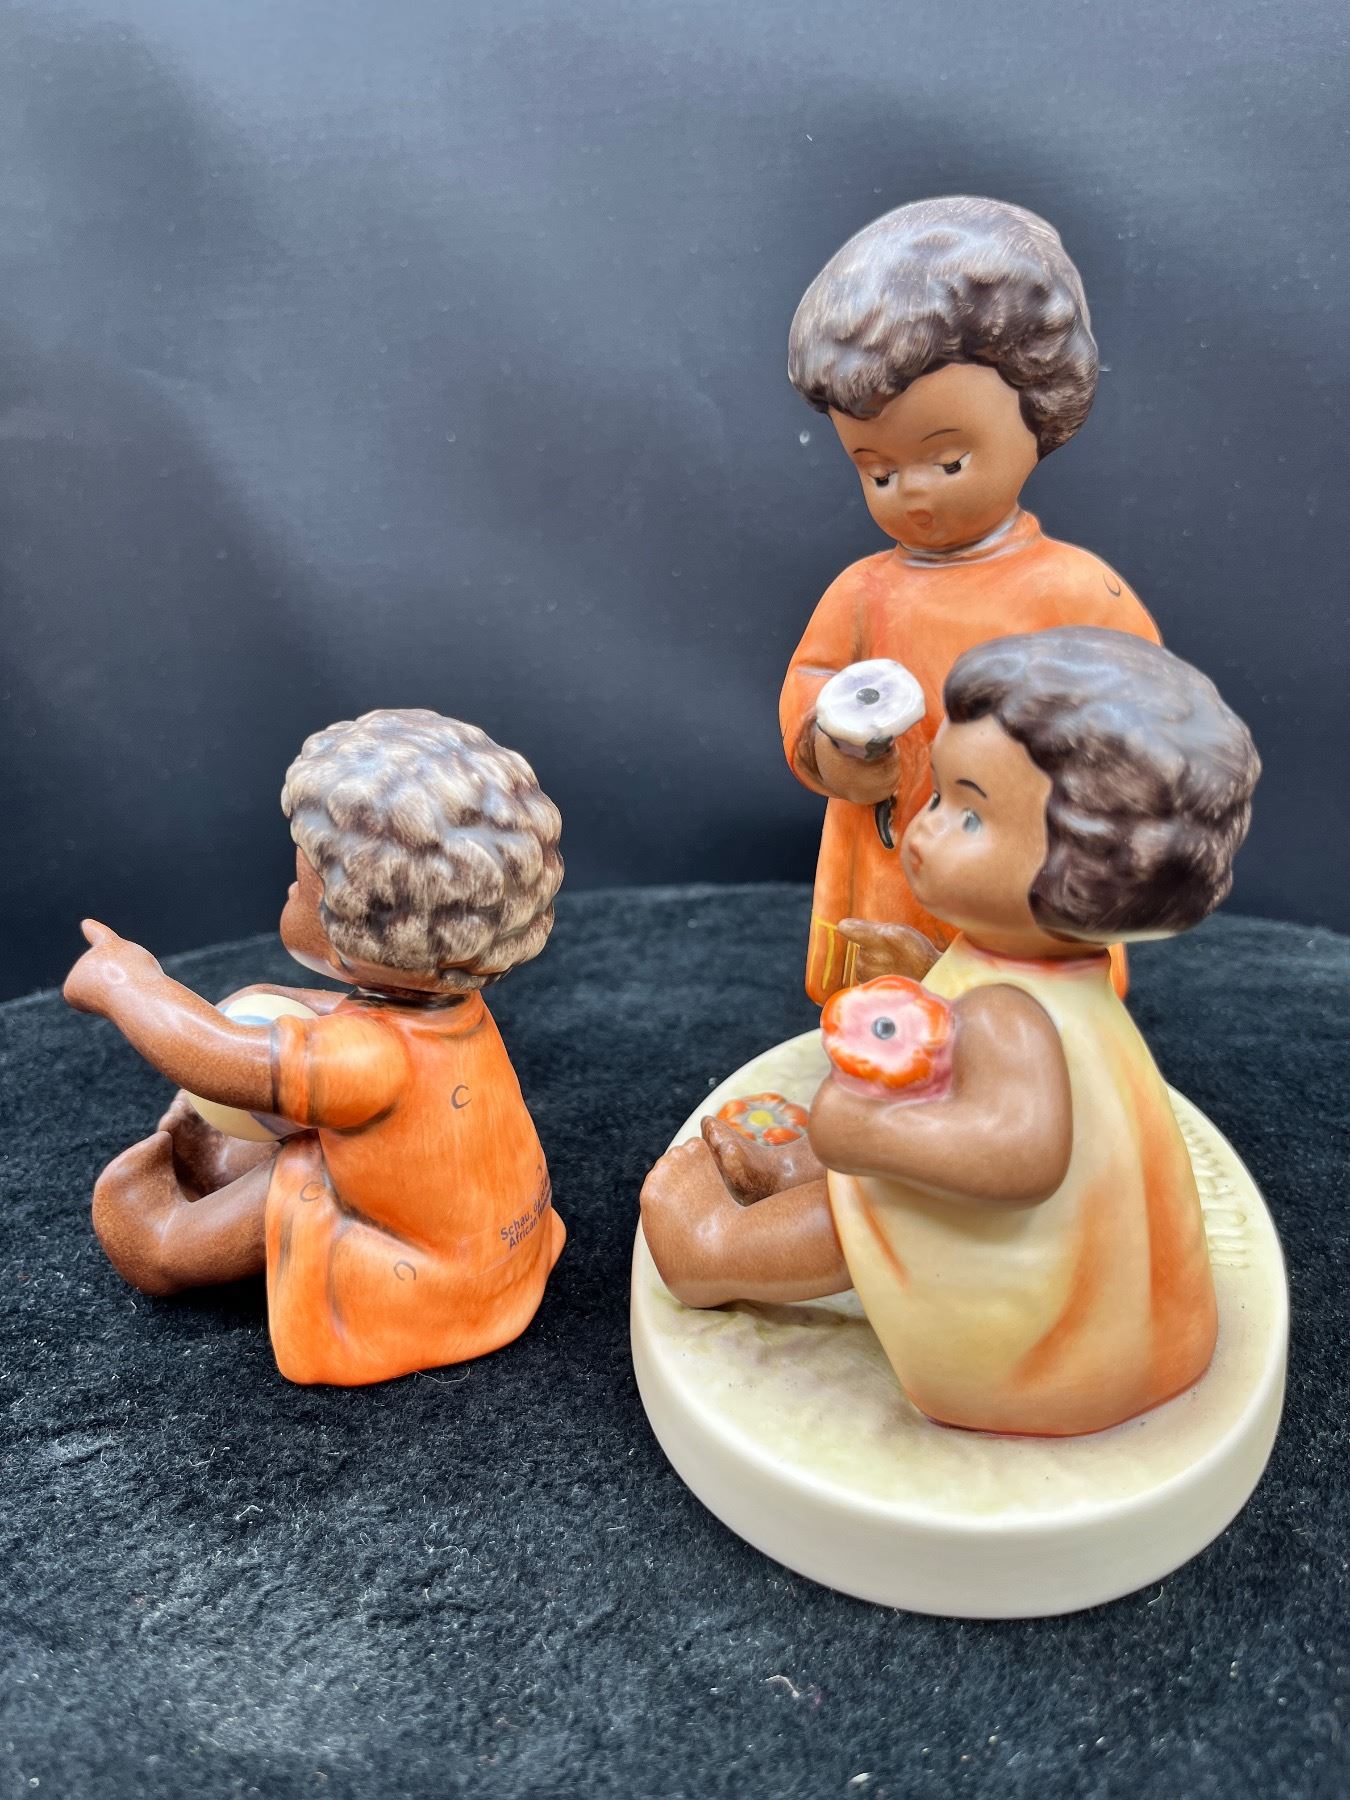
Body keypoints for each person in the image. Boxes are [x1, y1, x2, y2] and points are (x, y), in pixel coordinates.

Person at [642, 629, 1260, 1436]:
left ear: (1082, 864)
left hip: (1032, 1357)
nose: (925, 830)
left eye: (969, 815)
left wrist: (859, 1130)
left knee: (891, 1201)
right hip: (1108, 1332)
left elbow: (1020, 1156)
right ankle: (787, 1171)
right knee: (901, 1129)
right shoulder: (1040, 976)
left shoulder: (1011, 1015)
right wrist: (929, 967)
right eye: (935, 797)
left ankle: (713, 1252)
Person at [64, 709, 566, 1386]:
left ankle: (169, 1249)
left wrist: (129, 986)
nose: (288, 890)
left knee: (302, 1169)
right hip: (500, 1242)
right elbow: (332, 1022)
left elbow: (221, 1060)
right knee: (312, 1119)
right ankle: (213, 1172)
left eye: (302, 885)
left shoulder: (368, 1060)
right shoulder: (450, 1007)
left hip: (427, 1281)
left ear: (364, 930)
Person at [783, 196, 1159, 1002]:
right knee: (888, 1008)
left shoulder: (1075, 592)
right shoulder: (862, 592)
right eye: (878, 471)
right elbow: (813, 683)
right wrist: (838, 752)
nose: (912, 492)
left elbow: (1149, 731)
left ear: (1041, 414)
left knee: (1016, 1018)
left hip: (1018, 878)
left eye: (947, 461)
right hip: (890, 863)